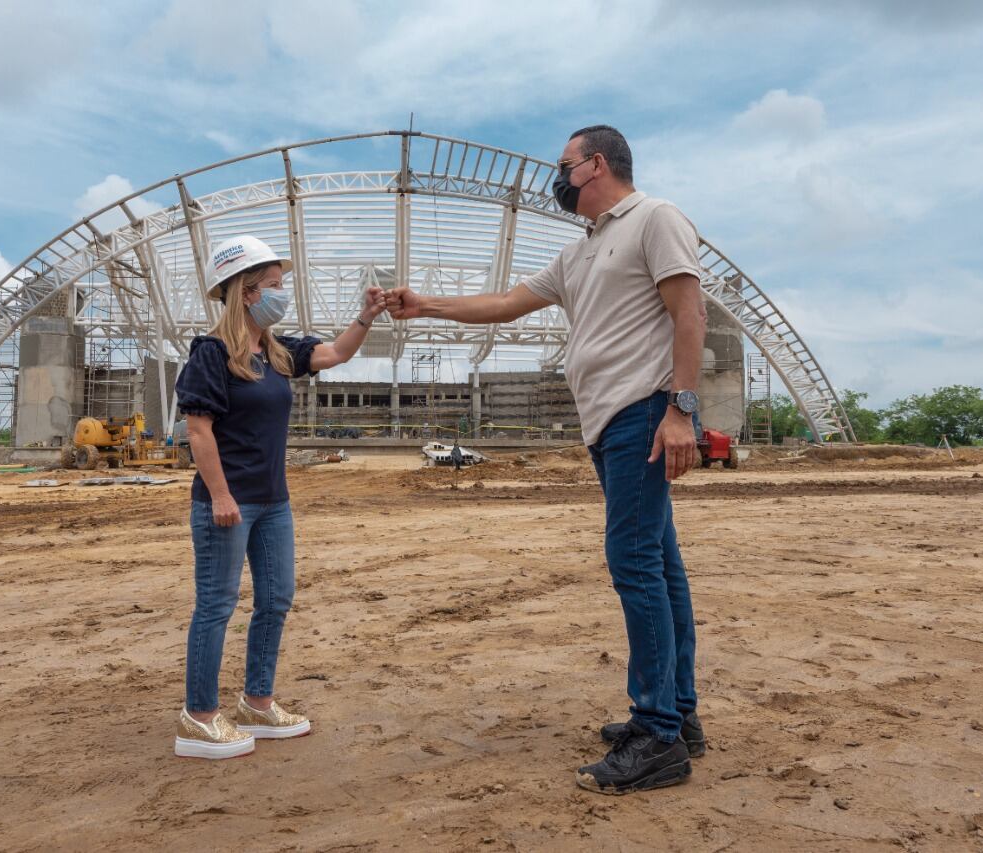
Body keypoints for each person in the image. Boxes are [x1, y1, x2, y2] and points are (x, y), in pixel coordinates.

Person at [386, 125, 708, 795]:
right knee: (660, 562)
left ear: (594, 166)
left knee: (634, 561)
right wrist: (426, 306)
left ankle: (657, 735)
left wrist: (682, 408)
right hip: (611, 424)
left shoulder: (655, 218)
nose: (555, 179)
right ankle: (676, 715)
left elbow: (689, 310)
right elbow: (506, 303)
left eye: (562, 166)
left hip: (642, 412)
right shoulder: (580, 252)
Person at [173, 235, 387, 759]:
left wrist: (366, 315)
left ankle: (257, 703)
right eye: (273, 285)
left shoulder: (275, 351)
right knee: (217, 606)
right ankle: (198, 718)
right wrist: (221, 496)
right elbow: (198, 431)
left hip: (273, 501)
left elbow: (334, 353)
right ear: (245, 293)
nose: (281, 293)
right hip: (228, 502)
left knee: (275, 600)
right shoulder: (211, 353)